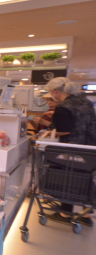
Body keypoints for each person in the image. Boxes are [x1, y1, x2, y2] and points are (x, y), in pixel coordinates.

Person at [41, 77, 96, 225]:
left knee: (67, 178)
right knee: (84, 178)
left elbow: (64, 131)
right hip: (89, 148)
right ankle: (87, 214)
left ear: (55, 91)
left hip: (71, 148)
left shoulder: (63, 106)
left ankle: (65, 213)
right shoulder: (86, 102)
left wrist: (49, 132)